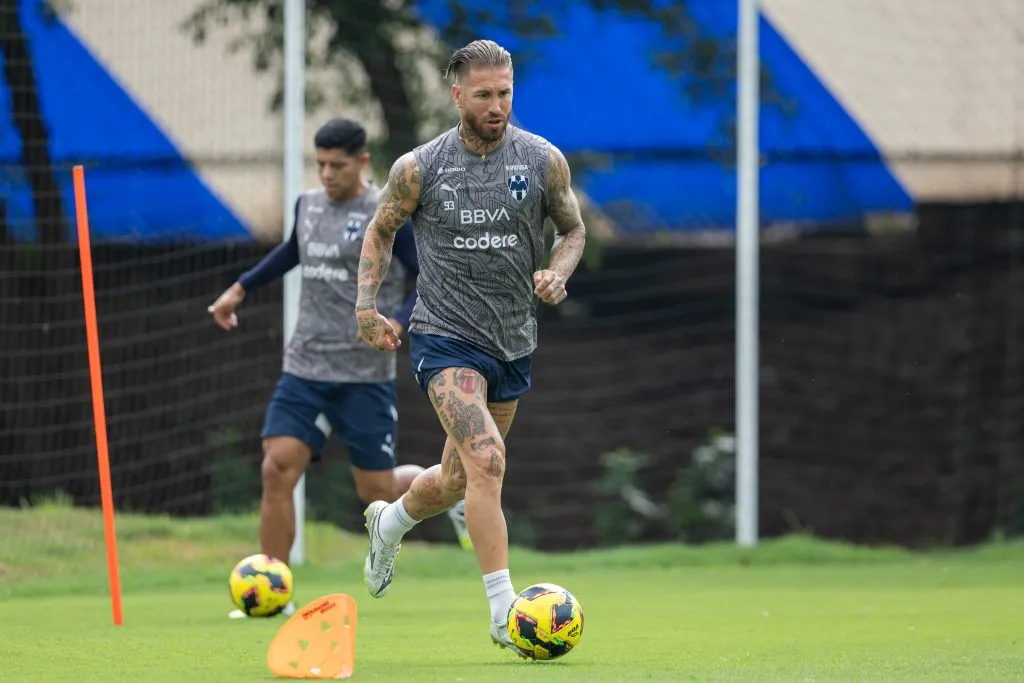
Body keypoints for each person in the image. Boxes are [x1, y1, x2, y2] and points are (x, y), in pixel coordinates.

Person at [353, 40, 587, 655]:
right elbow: (380, 230)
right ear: (457, 94)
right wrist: (366, 307)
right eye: (483, 94)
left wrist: (558, 272)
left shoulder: (542, 160)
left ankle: (391, 521)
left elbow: (572, 229)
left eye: (505, 92)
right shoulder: (420, 167)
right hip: (443, 337)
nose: (497, 105)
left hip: (511, 342)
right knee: (489, 461)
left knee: (458, 479)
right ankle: (503, 611)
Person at [207, 117, 472, 618]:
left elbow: (428, 277)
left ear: (362, 162)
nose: (327, 174)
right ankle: (272, 594)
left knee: (375, 493)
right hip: (304, 366)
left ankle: (442, 485)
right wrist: (238, 289)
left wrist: (395, 319)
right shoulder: (306, 206)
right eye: (321, 164)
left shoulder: (387, 211)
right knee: (276, 466)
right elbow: (290, 253)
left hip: (363, 376)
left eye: (338, 165)